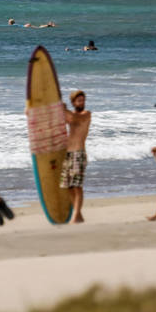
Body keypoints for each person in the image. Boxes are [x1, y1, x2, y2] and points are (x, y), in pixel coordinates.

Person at [60, 90, 92, 223]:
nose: (82, 103)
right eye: (79, 101)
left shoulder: (86, 114)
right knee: (68, 186)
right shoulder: (71, 114)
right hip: (68, 154)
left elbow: (74, 119)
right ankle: (78, 215)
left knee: (77, 186)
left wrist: (64, 108)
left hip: (79, 153)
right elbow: (65, 119)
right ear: (74, 103)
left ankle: (76, 215)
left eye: (83, 100)